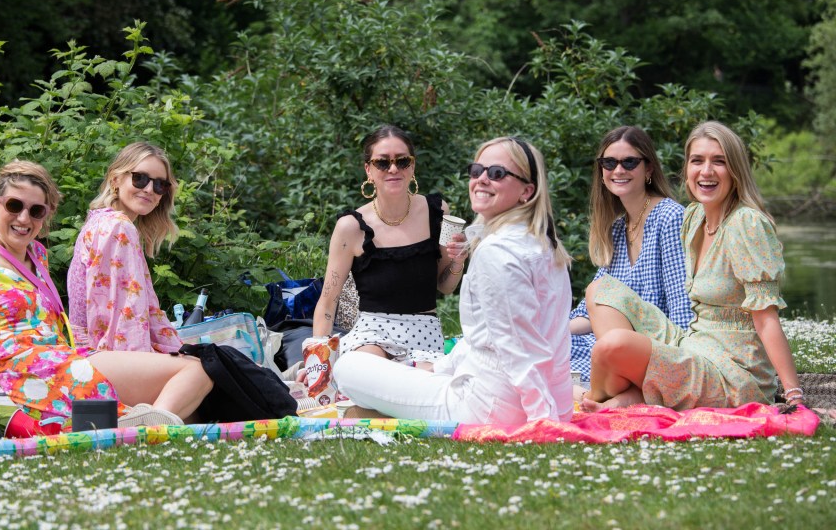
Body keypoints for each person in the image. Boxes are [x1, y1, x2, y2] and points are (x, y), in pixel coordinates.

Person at [0, 160, 213, 430]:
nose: (24, 219)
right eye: (14, 206)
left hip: (63, 357)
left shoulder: (38, 257)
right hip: (25, 370)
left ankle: (146, 421)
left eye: (36, 211)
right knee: (194, 377)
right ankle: (145, 426)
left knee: (196, 388)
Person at [334, 137, 575, 425]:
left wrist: (545, 421)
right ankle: (391, 407)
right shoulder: (544, 244)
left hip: (488, 407)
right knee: (414, 371)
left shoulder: (497, 252)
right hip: (524, 396)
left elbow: (518, 348)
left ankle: (383, 412)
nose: (482, 180)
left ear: (527, 191)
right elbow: (513, 340)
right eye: (477, 171)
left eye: (497, 173)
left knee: (348, 367)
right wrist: (438, 370)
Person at [582, 121, 804, 412]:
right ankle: (626, 399)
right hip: (692, 343)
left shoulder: (746, 224)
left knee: (612, 346)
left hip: (732, 372)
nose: (706, 171)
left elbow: (766, 319)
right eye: (697, 160)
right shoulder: (693, 217)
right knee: (600, 290)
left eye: (719, 161)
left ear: (735, 169)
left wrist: (793, 394)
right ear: (687, 169)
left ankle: (605, 400)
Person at [309, 125, 467, 365]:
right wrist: (317, 362)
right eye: (383, 163)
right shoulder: (350, 227)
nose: (393, 169)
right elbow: (328, 300)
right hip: (371, 335)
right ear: (368, 170)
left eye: (402, 161)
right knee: (367, 369)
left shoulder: (438, 212)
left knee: (422, 386)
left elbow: (445, 286)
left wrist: (458, 260)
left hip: (424, 332)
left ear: (412, 166)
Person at [568, 127, 692, 388]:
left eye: (629, 162)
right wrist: (548, 333)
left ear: (648, 169)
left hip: (656, 348)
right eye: (609, 163)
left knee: (555, 370)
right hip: (615, 342)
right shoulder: (617, 228)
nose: (618, 170)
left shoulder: (669, 218)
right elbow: (591, 312)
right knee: (543, 351)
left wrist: (684, 365)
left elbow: (681, 307)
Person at [67, 142, 182, 353]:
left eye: (160, 185)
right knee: (205, 372)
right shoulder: (117, 226)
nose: (149, 189)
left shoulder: (101, 221)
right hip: (105, 357)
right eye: (140, 178)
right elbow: (125, 322)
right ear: (115, 179)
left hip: (94, 352)